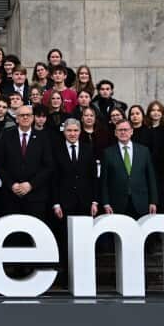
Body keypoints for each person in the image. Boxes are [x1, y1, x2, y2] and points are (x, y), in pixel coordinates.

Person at [51, 117, 99, 275]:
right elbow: (54, 178)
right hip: (64, 203)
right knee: (65, 239)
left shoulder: (88, 149)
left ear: (80, 132)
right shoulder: (56, 149)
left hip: (85, 201)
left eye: (75, 130)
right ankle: (66, 274)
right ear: (64, 132)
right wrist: (56, 203)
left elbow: (93, 177)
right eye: (69, 130)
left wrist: (94, 201)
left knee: (83, 240)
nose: (72, 134)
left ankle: (83, 273)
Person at [0, 104, 54, 219]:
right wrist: (11, 184)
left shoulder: (43, 138)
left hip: (35, 196)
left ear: (32, 118)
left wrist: (31, 185)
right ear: (16, 118)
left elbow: (48, 166)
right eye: (22, 115)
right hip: (11, 196)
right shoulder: (6, 135)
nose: (25, 118)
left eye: (28, 115)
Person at [100, 120, 157, 219]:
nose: (123, 132)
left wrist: (153, 201)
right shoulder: (107, 153)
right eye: (120, 130)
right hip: (117, 204)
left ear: (131, 131)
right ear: (115, 133)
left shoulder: (144, 151)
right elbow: (104, 181)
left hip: (141, 203)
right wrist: (105, 203)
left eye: (126, 130)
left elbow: (150, 178)